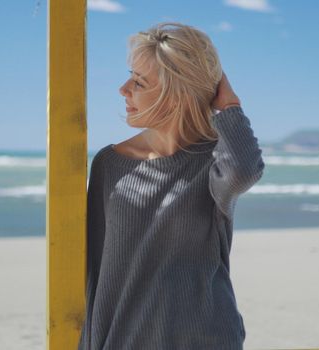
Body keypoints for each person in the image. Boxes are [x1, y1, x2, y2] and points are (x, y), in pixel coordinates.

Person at [78, 22, 265, 350]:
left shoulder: (214, 162)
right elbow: (97, 272)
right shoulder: (109, 163)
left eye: (139, 81)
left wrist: (230, 107)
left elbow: (244, 170)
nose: (124, 89)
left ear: (176, 93)